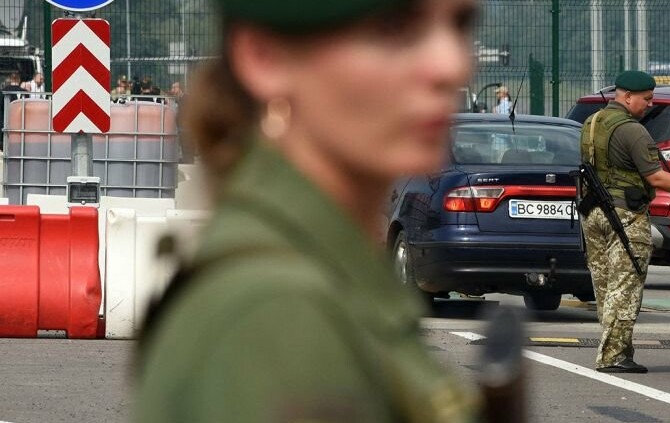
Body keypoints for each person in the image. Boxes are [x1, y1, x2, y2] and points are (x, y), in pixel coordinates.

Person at [133, 0, 482, 421]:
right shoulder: (274, 313)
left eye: (461, 24)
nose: (452, 65)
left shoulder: (324, 268)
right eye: (393, 27)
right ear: (264, 56)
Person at [580, 70, 670, 373]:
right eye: (646, 99)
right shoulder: (632, 130)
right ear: (628, 97)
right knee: (626, 284)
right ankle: (613, 357)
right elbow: (656, 177)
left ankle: (618, 350)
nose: (649, 105)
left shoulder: (591, 123)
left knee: (605, 287)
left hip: (593, 214)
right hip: (624, 215)